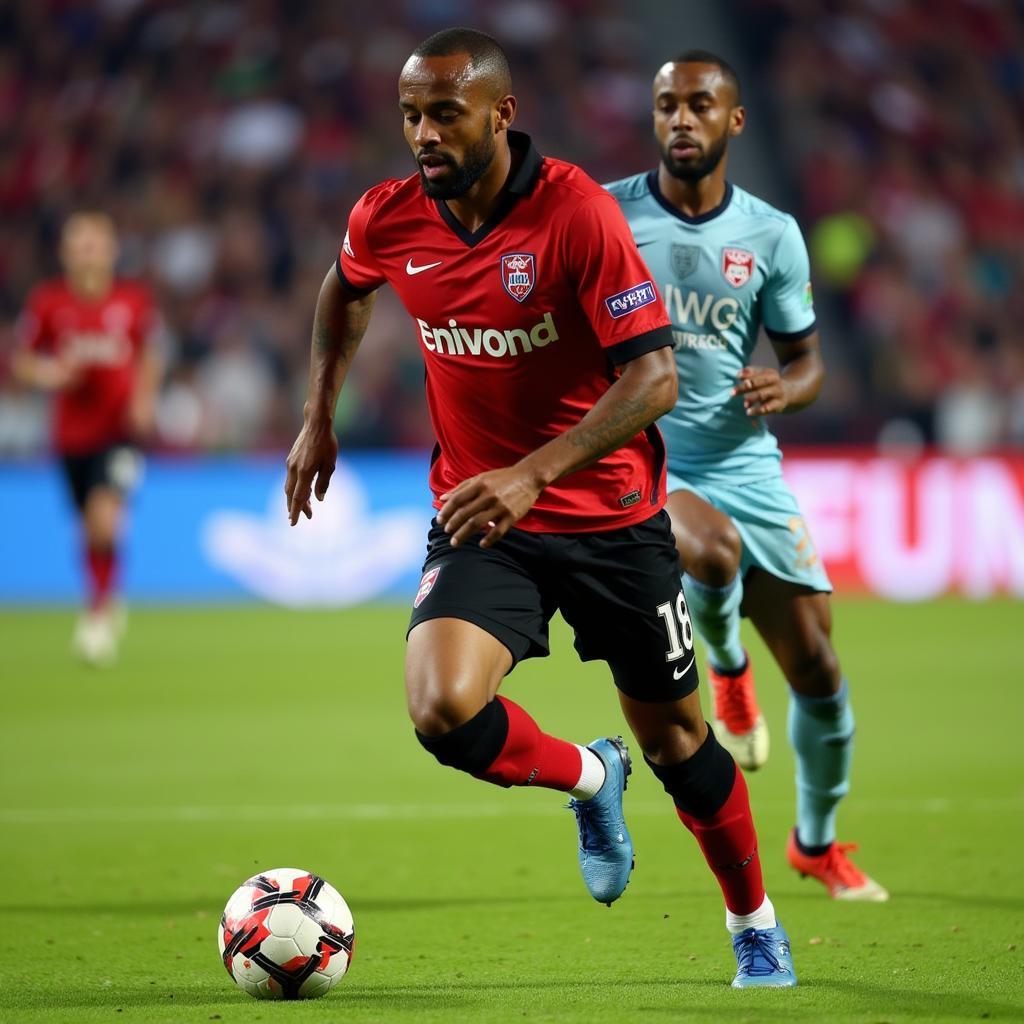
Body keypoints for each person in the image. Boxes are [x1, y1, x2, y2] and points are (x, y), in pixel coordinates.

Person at [285, 27, 796, 988]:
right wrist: (318, 416)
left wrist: (533, 472)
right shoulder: (389, 216)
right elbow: (344, 291)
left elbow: (652, 380)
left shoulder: (576, 214)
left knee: (682, 747)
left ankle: (753, 924)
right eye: (410, 116)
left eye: (444, 114)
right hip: (483, 516)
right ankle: (592, 779)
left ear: (501, 113)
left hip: (608, 518)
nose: (424, 135)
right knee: (441, 710)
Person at [605, 51, 887, 901]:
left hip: (745, 463)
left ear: (734, 120)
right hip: (649, 461)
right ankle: (725, 668)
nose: (680, 119)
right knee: (714, 554)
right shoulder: (610, 217)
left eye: (698, 104)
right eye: (665, 104)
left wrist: (785, 388)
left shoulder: (772, 234)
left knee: (821, 670)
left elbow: (808, 365)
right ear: (652, 117)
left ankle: (817, 842)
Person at [13, 212, 162, 665]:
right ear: (65, 253)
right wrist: (49, 373)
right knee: (87, 528)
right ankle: (104, 591)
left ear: (112, 250)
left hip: (120, 434)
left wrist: (144, 400)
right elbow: (21, 360)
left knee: (103, 518)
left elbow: (150, 355)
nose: (87, 252)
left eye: (95, 243)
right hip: (72, 435)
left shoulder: (133, 302)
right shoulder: (47, 303)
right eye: (78, 244)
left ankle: (96, 617)